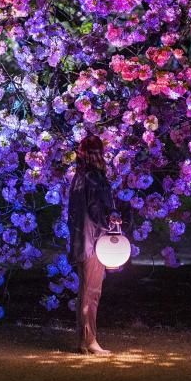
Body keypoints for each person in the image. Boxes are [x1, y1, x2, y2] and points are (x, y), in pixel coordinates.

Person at [67, 133, 121, 356]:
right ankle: (89, 341)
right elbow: (96, 210)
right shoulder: (93, 178)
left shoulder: (80, 178)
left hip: (85, 241)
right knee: (92, 292)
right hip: (94, 242)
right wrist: (112, 218)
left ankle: (85, 340)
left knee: (86, 292)